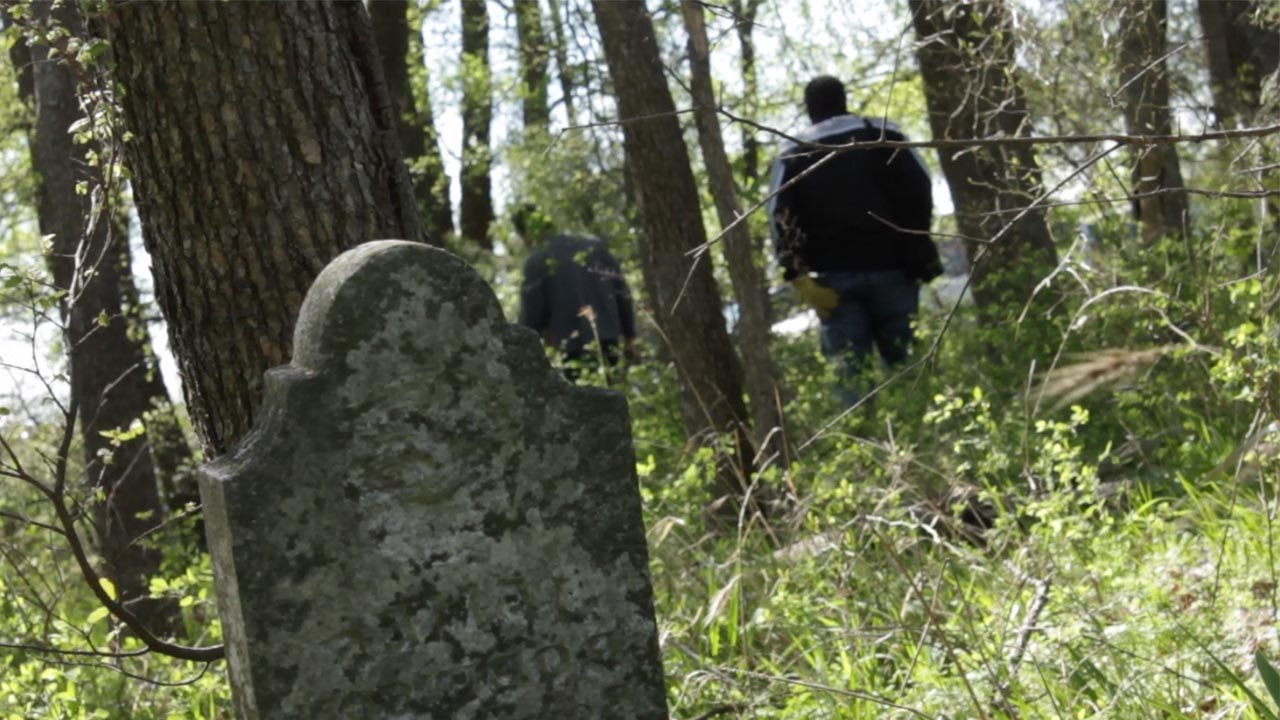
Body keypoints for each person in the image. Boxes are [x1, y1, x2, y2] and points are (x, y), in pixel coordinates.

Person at [766, 75, 942, 406]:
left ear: (809, 109)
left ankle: (863, 447)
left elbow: (780, 214)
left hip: (833, 283)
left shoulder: (794, 153)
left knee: (850, 378)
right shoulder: (883, 134)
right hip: (896, 270)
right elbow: (921, 186)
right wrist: (918, 241)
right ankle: (926, 437)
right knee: (909, 368)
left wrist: (796, 275)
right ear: (844, 99)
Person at [514, 204, 637, 383]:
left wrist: (520, 352)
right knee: (613, 395)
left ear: (525, 233)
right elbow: (621, 291)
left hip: (570, 347)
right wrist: (630, 336)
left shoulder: (536, 260)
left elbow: (531, 316)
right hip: (608, 339)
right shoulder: (594, 246)